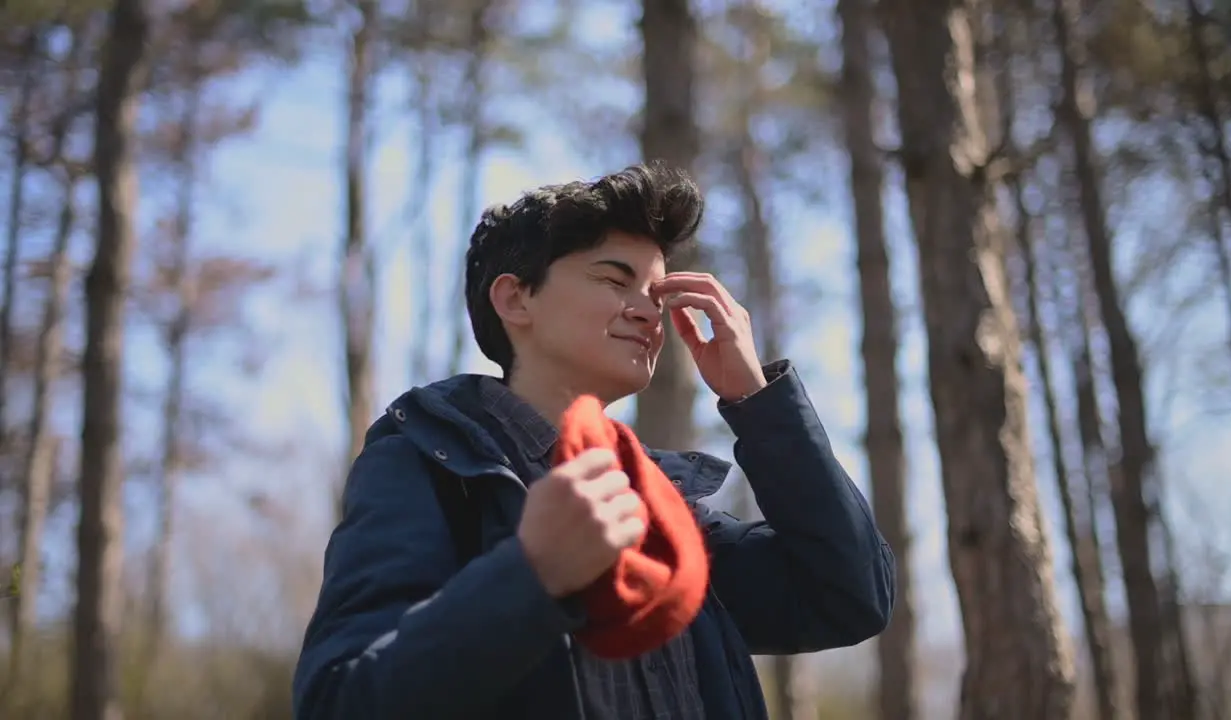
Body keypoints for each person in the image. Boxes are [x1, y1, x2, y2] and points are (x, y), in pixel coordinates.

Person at [291, 163, 896, 720]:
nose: (648, 313)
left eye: (658, 295)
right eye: (615, 279)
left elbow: (848, 596)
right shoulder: (429, 467)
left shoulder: (666, 511)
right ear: (515, 298)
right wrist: (532, 575)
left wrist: (759, 401)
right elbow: (340, 700)